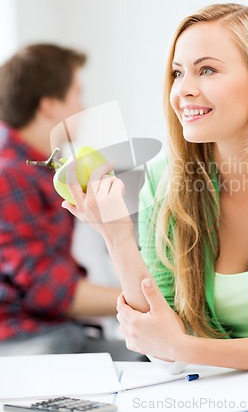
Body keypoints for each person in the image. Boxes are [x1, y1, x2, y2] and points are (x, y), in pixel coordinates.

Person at [62, 4, 248, 375]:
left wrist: (182, 346)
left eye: (207, 70)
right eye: (178, 73)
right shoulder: (166, 183)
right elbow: (159, 350)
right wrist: (116, 237)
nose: (183, 91)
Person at [0, 43, 142, 360]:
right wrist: (155, 296)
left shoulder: (38, 168)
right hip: (28, 340)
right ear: (50, 104)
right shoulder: (9, 175)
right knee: (153, 360)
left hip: (53, 331)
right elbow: (52, 292)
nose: (82, 105)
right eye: (76, 94)